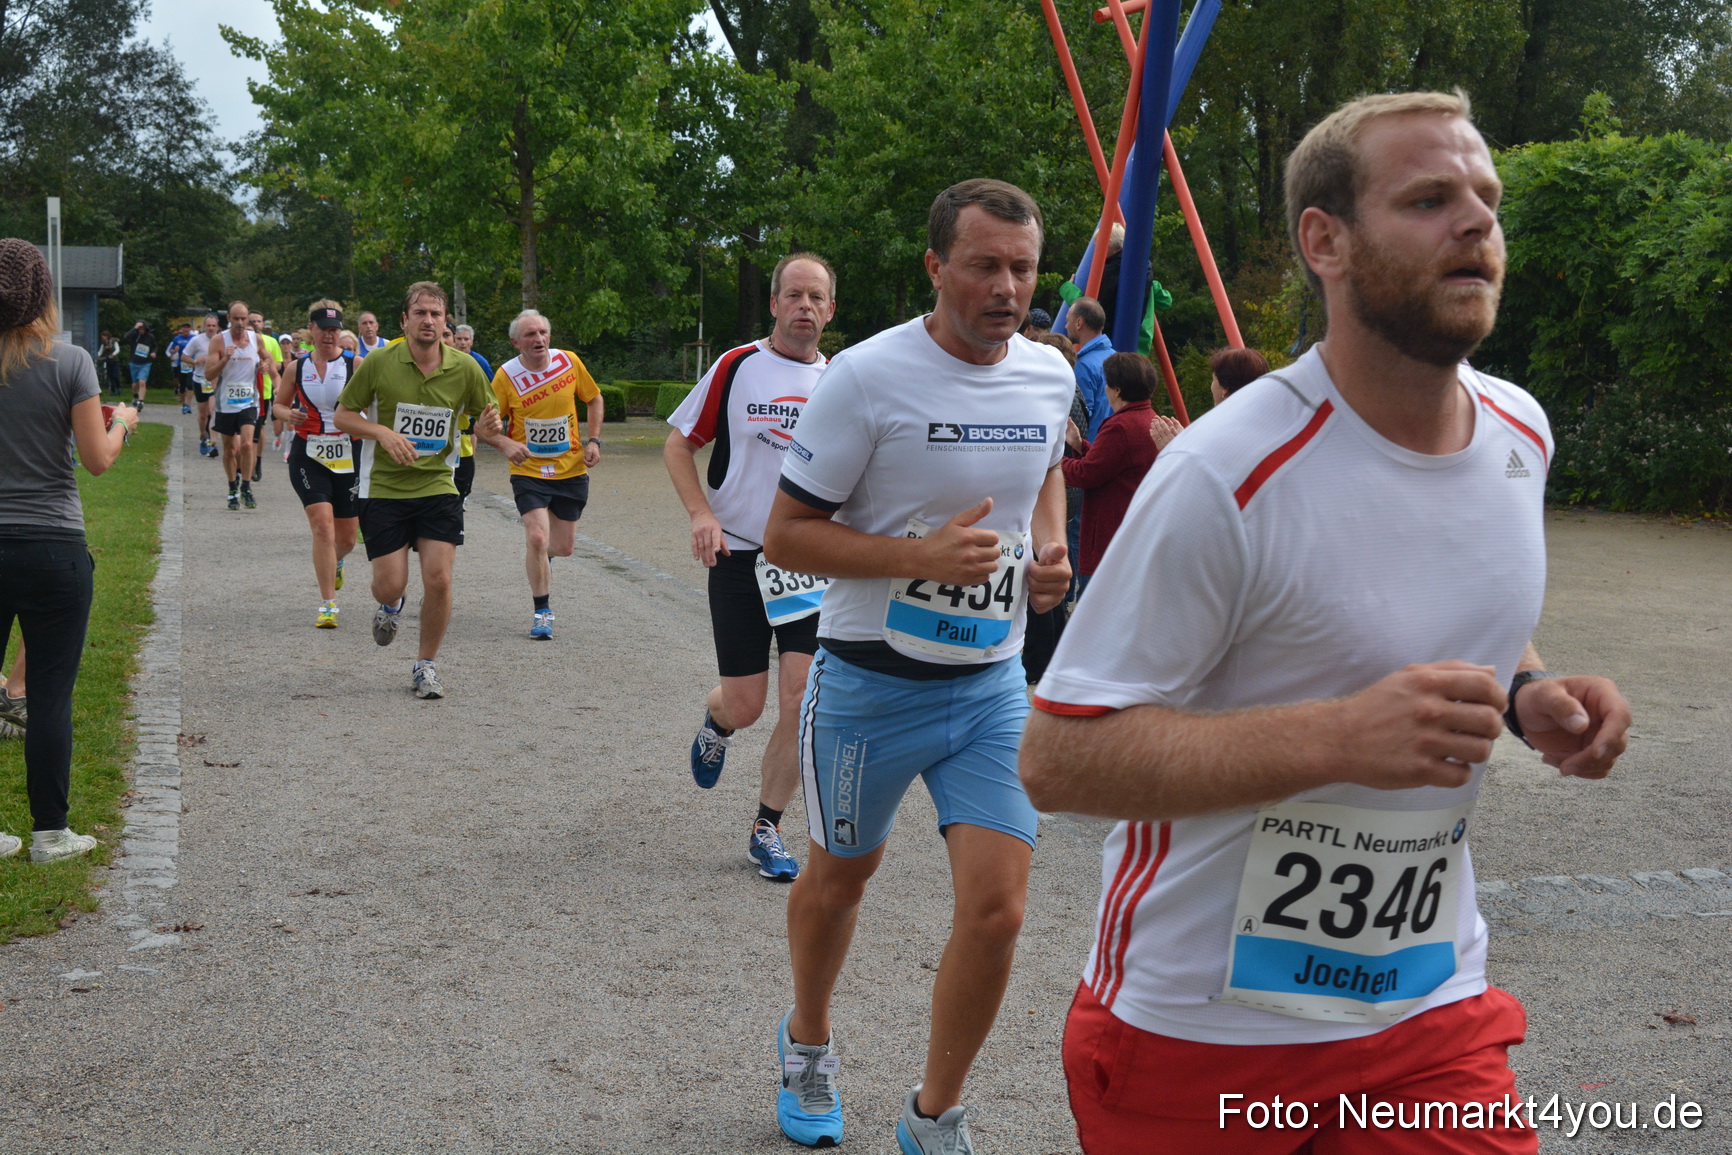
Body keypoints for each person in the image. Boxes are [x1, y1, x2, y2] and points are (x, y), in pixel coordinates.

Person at [1019, 91, 1633, 1153]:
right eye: (1430, 199)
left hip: (1424, 1009)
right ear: (1325, 241)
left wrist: (1531, 694)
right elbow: (1058, 760)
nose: (1476, 222)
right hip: (1197, 1036)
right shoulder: (1223, 473)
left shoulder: (1518, 434)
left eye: (1485, 197)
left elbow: (1445, 610)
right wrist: (1341, 739)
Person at [762, 179, 1073, 1153]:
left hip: (990, 685)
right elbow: (786, 534)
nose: (1005, 287)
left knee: (998, 908)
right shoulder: (863, 377)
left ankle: (934, 1114)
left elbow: (1044, 471)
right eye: (983, 265)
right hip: (867, 681)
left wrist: (1050, 552)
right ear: (935, 266)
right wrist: (915, 557)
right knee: (841, 878)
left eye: (1021, 268)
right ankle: (807, 1038)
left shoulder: (1050, 374)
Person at [664, 252, 836, 884]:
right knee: (747, 703)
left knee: (801, 699)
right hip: (737, 553)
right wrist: (698, 514)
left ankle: (768, 826)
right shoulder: (737, 367)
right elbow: (678, 443)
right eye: (794, 295)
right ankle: (717, 721)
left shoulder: (843, 380)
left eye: (816, 298)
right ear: (774, 304)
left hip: (810, 565)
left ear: (830, 310)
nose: (805, 307)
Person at [0, 238, 138, 862]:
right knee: (51, 693)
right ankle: (50, 833)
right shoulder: (71, 361)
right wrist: (124, 423)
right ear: (45, 293)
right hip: (54, 543)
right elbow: (98, 460)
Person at [334, 281, 499, 699]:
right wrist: (382, 434)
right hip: (385, 488)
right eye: (420, 313)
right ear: (404, 320)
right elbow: (342, 415)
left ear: (446, 321)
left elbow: (488, 416)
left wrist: (492, 429)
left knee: (440, 579)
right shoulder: (378, 362)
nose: (428, 320)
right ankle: (391, 606)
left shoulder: (465, 367)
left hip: (438, 485)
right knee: (390, 584)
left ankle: (426, 664)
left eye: (436, 314)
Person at [486, 309, 602, 640]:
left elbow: (594, 399)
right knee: (537, 536)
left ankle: (543, 559)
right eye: (529, 335)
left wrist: (593, 440)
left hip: (570, 469)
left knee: (562, 547)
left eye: (542, 333)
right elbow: (484, 426)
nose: (538, 339)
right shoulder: (506, 376)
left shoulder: (569, 362)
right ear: (515, 342)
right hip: (529, 471)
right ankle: (542, 611)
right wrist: (505, 444)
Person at [273, 302, 360, 628]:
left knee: (348, 539)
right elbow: (278, 407)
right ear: (311, 329)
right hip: (309, 454)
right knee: (322, 525)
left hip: (348, 453)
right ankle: (328, 605)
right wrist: (288, 415)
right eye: (323, 328)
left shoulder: (356, 364)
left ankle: (335, 561)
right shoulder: (297, 367)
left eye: (335, 329)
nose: (329, 334)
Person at [1059, 352, 1176, 595]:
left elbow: (1086, 474)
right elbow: (1110, 465)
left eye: (1108, 383)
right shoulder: (1146, 418)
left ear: (1118, 390)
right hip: (1130, 534)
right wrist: (1081, 446)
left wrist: (1052, 462)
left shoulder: (1120, 426)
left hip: (1107, 539)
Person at [204, 301, 264, 509]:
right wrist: (225, 359)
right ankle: (232, 489)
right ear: (228, 319)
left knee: (247, 445)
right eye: (236, 318)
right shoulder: (219, 342)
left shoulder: (256, 339)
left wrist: (267, 368)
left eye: (243, 318)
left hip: (249, 401)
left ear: (248, 319)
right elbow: (209, 373)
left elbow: (269, 361)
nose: (240, 322)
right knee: (230, 449)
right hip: (226, 403)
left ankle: (246, 487)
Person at [451, 323, 492, 501]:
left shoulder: (479, 361)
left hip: (471, 412)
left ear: (472, 342)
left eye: (465, 339)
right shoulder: (446, 359)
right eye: (459, 339)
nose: (462, 342)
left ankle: (468, 464)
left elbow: (492, 386)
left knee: (469, 432)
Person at [249, 311, 284, 479]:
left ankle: (257, 461)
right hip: (245, 392)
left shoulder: (270, 342)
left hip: (264, 390)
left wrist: (267, 366)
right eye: (252, 321)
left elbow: (278, 364)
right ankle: (247, 462)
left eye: (258, 321)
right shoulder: (237, 341)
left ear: (262, 324)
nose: (256, 324)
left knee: (259, 428)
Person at [184, 313, 220, 457]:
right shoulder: (197, 341)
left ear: (217, 327)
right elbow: (184, 356)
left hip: (216, 380)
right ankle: (203, 435)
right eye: (208, 325)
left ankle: (212, 443)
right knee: (203, 413)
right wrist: (195, 361)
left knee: (213, 411)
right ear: (204, 326)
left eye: (213, 326)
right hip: (200, 379)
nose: (211, 328)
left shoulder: (222, 340)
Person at [125, 319, 155, 408]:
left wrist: (153, 352)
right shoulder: (134, 336)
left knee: (142, 382)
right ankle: (135, 396)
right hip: (134, 362)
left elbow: (155, 346)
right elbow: (126, 337)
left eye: (143, 329)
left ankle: (141, 401)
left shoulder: (150, 336)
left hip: (145, 363)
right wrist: (134, 328)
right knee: (135, 384)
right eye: (139, 329)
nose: (141, 331)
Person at [166, 321, 194, 413]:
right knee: (182, 385)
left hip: (191, 363)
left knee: (190, 385)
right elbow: (171, 351)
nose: (186, 329)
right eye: (184, 327)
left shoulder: (194, 338)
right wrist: (174, 350)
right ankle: (184, 404)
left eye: (188, 327)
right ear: (182, 329)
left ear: (190, 329)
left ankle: (189, 405)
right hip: (181, 364)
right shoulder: (177, 338)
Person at [97, 331, 124, 397]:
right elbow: (100, 352)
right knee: (110, 377)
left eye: (104, 336)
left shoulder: (114, 342)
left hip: (115, 361)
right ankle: (113, 391)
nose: (103, 337)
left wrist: (113, 355)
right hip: (108, 361)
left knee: (115, 376)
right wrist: (98, 356)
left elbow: (117, 350)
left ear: (107, 336)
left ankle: (119, 388)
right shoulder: (103, 344)